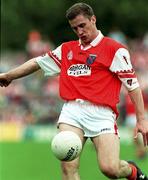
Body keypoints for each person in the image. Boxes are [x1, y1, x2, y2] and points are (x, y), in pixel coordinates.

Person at [0, 3, 148, 180]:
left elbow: (132, 85)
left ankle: (132, 171)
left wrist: (141, 119)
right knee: (68, 167)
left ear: (93, 20)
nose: (79, 32)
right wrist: (9, 75)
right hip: (72, 112)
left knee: (110, 169)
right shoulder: (67, 49)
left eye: (82, 25)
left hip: (102, 114)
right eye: (74, 28)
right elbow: (36, 63)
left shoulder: (115, 50)